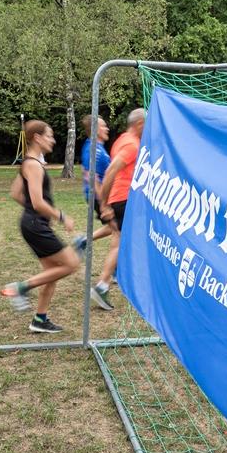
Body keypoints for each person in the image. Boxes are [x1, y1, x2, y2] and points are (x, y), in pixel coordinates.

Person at [1, 121, 81, 333]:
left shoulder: (29, 162)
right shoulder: (34, 165)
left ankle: (40, 319)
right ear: (37, 137)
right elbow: (36, 202)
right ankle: (20, 288)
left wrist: (36, 213)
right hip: (36, 225)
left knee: (52, 272)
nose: (53, 140)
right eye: (49, 136)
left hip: (32, 223)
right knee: (71, 264)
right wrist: (61, 216)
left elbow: (16, 194)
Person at [94, 107, 146, 310]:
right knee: (122, 243)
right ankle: (103, 284)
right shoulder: (132, 145)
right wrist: (104, 203)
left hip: (120, 199)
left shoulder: (122, 139)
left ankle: (104, 284)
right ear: (140, 124)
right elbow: (111, 171)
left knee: (119, 243)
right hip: (124, 200)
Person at [79, 113, 116, 251]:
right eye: (104, 126)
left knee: (117, 226)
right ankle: (114, 269)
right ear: (95, 129)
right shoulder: (93, 149)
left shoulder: (97, 147)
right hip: (97, 196)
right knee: (118, 231)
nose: (107, 129)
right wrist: (103, 203)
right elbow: (91, 178)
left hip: (100, 195)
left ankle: (85, 240)